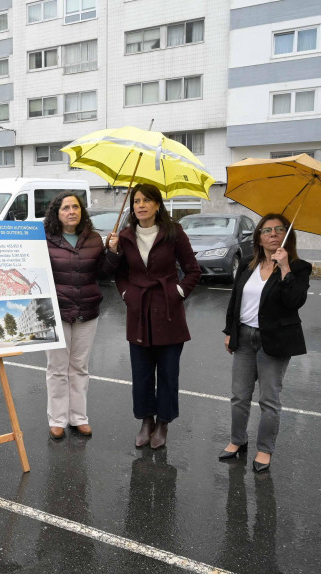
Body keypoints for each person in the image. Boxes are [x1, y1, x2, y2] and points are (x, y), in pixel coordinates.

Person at [106, 183, 201, 450]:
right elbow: (118, 274)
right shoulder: (124, 236)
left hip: (169, 313)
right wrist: (127, 294)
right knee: (142, 374)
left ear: (158, 205)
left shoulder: (174, 232)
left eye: (147, 200)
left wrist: (178, 292)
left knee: (169, 373)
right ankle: (146, 420)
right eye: (136, 201)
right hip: (139, 312)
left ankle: (163, 423)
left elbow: (194, 270)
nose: (141, 205)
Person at [220, 214, 311, 473]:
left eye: (279, 229)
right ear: (258, 237)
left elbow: (294, 302)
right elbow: (235, 301)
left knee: (269, 400)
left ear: (287, 235)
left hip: (275, 341)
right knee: (239, 396)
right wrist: (230, 331)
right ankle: (238, 440)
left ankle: (264, 449)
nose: (273, 234)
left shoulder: (299, 267)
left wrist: (284, 268)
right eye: (267, 230)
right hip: (245, 338)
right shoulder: (248, 264)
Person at [42, 192, 110, 440]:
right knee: (57, 368)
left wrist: (112, 252)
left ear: (82, 211)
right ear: (56, 214)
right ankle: (57, 419)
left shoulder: (93, 239)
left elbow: (103, 272)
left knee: (79, 367)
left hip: (87, 311)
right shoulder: (45, 238)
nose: (71, 211)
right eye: (65, 208)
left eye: (75, 207)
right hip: (56, 312)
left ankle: (78, 418)